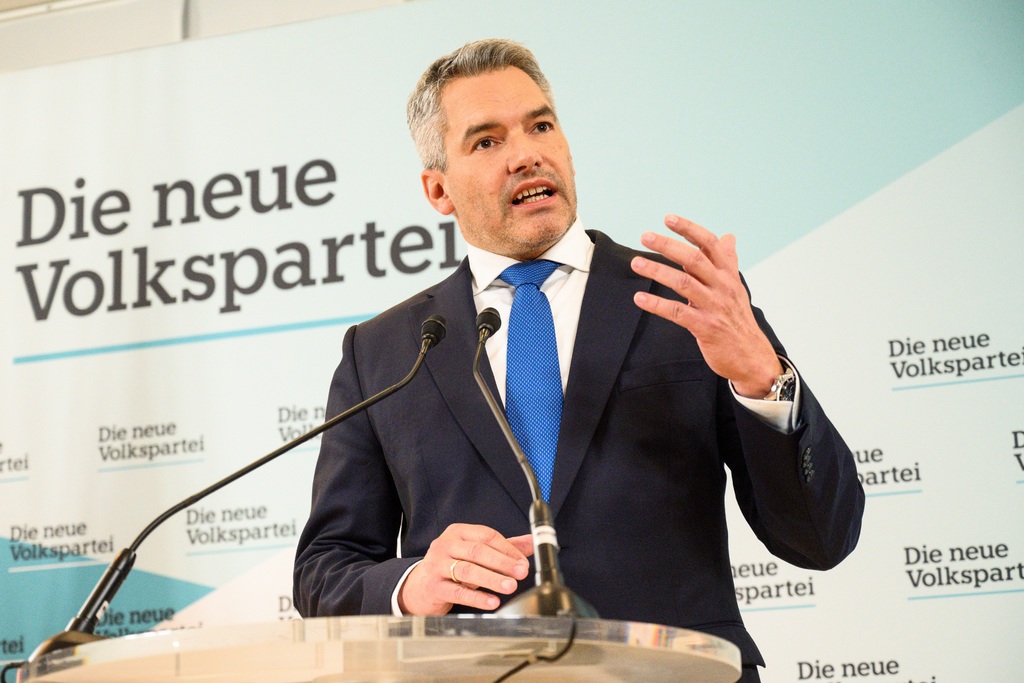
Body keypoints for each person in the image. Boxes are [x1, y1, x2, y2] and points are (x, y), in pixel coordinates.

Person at [294, 38, 864, 682]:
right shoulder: (385, 351)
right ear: (438, 188)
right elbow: (324, 571)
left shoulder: (687, 300)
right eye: (487, 141)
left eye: (540, 126)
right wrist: (412, 584)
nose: (526, 154)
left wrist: (763, 378)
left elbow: (822, 538)